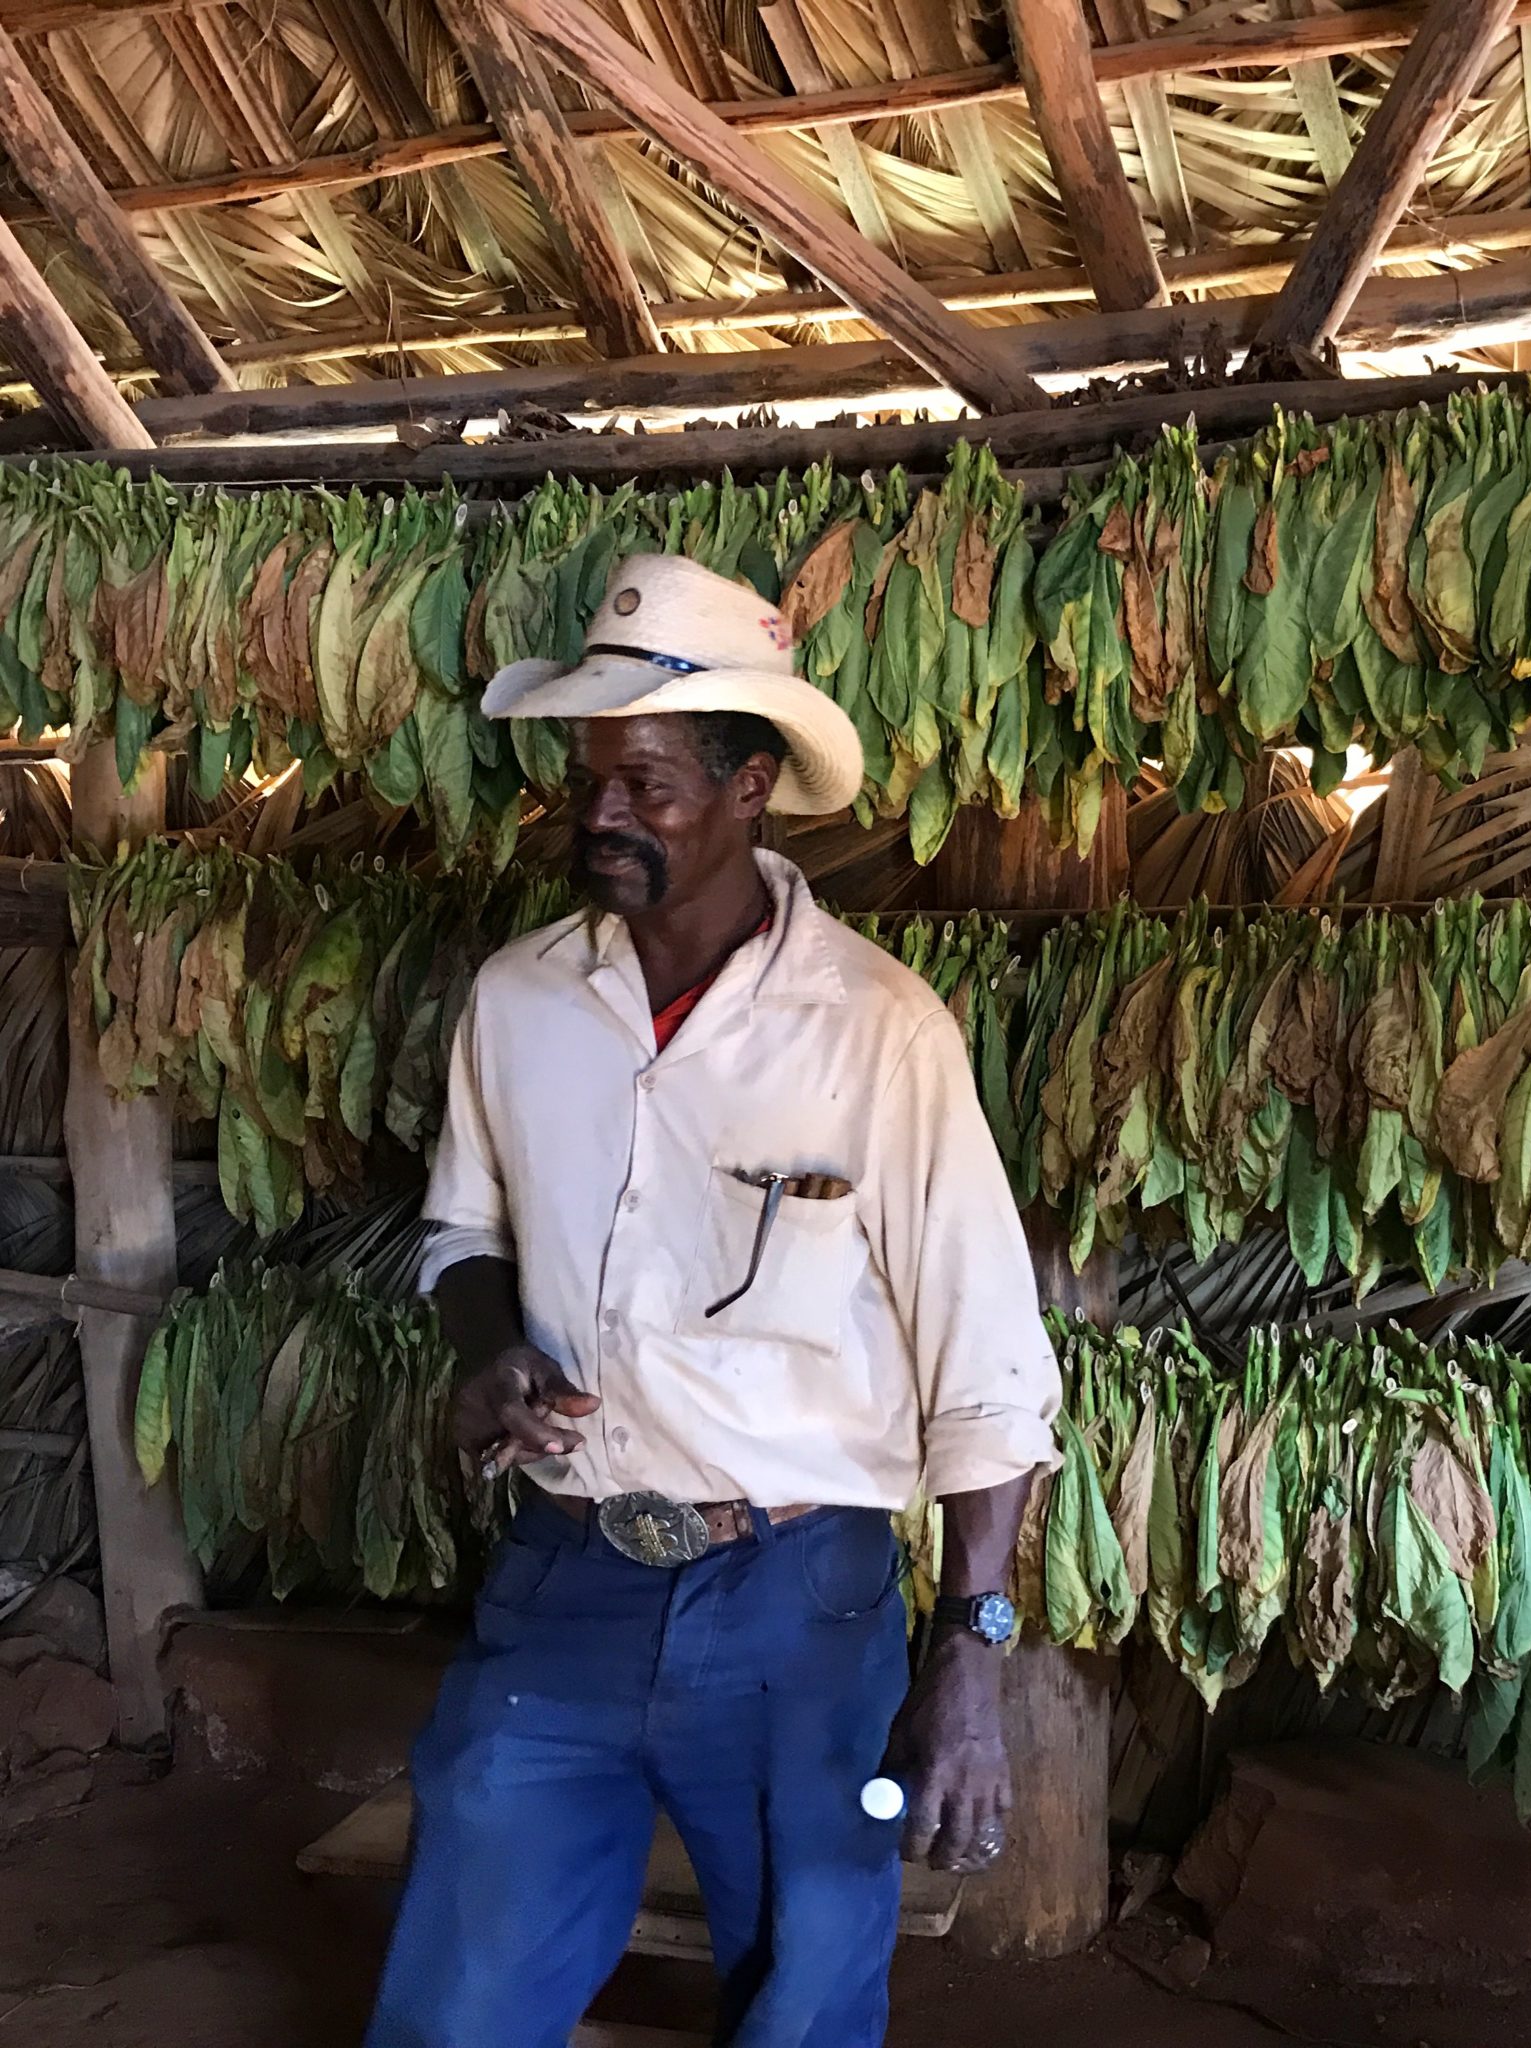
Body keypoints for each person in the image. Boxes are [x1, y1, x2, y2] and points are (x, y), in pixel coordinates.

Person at [365, 554, 1060, 2048]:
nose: (601, 814)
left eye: (647, 784)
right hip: (565, 1580)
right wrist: (490, 1349)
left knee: (807, 1987)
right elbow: (460, 1232)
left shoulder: (879, 1032)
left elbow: (990, 1372)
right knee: (461, 1985)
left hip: (798, 1606)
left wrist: (973, 1651)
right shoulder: (519, 1000)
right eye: (588, 780)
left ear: (751, 791)